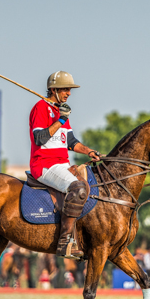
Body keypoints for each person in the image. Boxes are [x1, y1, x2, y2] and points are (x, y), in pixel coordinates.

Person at [29, 71, 101, 259]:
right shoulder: (40, 108)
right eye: (65, 89)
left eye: (69, 90)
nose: (69, 93)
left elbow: (70, 141)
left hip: (63, 165)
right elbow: (39, 138)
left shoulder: (61, 112)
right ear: (54, 89)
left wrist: (89, 151)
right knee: (78, 188)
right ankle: (64, 242)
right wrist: (60, 120)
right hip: (44, 165)